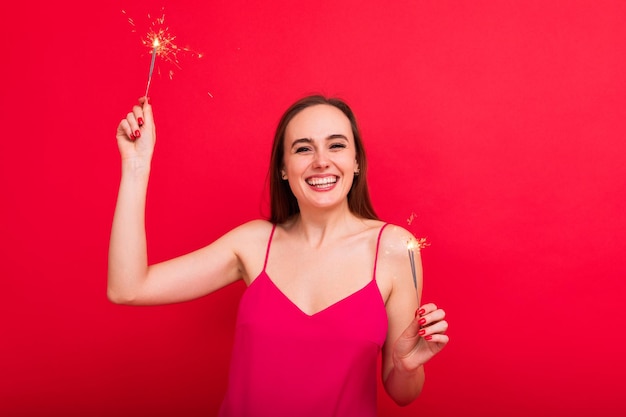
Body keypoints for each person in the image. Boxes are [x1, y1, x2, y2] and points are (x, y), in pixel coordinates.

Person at [109, 95, 449, 416]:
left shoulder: (393, 248)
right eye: (303, 149)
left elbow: (403, 394)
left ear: (356, 161)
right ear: (283, 169)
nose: (321, 161)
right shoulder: (254, 243)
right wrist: (136, 167)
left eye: (336, 145)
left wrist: (405, 367)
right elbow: (129, 288)